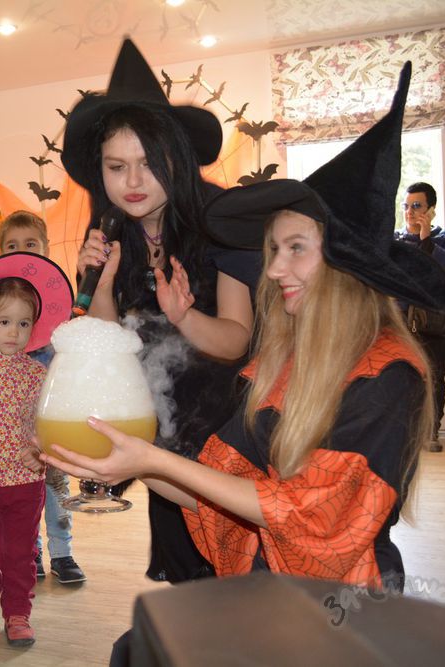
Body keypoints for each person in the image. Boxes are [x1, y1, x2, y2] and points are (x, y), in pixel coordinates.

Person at [46, 60, 445, 600]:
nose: (273, 270)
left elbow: (305, 517)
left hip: (335, 617)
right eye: (273, 250)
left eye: (295, 249)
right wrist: (127, 458)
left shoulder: (386, 376)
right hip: (259, 581)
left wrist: (149, 460)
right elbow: (227, 494)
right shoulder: (281, 366)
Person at [62, 38, 259, 584]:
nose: (131, 183)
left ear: (177, 158)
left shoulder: (220, 221)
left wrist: (183, 317)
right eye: (116, 166)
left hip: (230, 431)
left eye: (149, 164)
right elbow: (109, 344)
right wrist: (102, 283)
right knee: (190, 585)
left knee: (239, 577)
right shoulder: (110, 231)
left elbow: (237, 340)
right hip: (163, 435)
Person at [0, 251, 73, 648]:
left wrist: (42, 448)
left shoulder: (38, 374)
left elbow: (52, 422)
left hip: (26, 483)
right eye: (4, 321)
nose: (14, 332)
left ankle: (17, 614)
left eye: (24, 323)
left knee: (21, 555)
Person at [0, 211, 87, 584]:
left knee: (56, 488)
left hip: (50, 424)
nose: (21, 250)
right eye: (12, 246)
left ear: (46, 250)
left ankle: (63, 553)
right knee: (21, 493)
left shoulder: (59, 305)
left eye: (30, 244)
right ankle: (29, 553)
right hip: (11, 427)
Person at [395, 181, 445, 452]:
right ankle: (403, 435)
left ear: (431, 209)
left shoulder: (444, 239)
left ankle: (430, 433)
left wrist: (425, 239)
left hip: (434, 321)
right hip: (399, 321)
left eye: (416, 206)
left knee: (434, 377)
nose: (409, 211)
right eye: (406, 205)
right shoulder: (393, 241)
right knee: (399, 378)